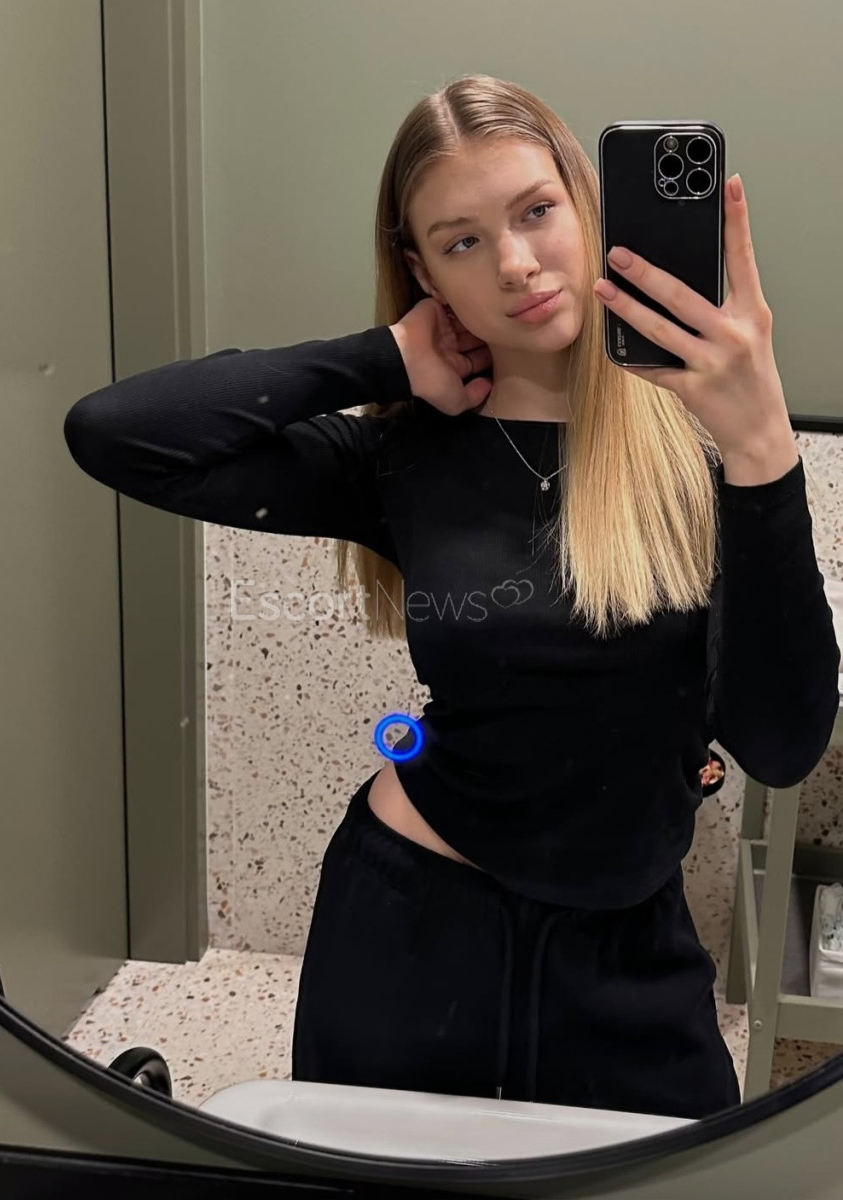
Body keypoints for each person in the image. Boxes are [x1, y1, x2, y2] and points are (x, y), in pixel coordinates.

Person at [63, 74, 840, 1119]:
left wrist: (763, 447)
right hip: (411, 929)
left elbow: (780, 745)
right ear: (422, 271)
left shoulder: (702, 459)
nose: (514, 263)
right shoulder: (399, 455)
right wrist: (382, 357)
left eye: (535, 210)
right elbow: (116, 434)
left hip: (629, 955)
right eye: (462, 241)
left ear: (587, 204)